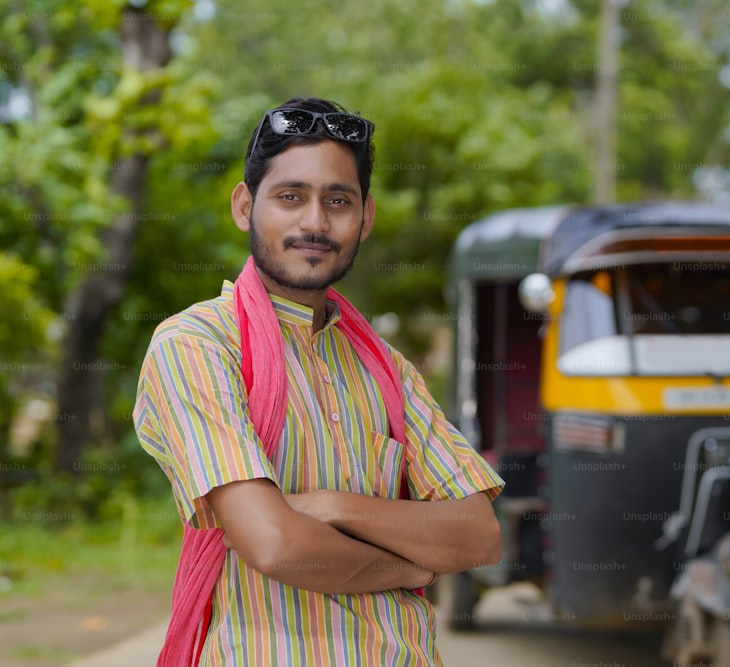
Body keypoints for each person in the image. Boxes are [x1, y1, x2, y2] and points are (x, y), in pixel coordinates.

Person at [133, 97, 505, 666]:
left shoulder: (386, 369)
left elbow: (477, 535)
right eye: (290, 197)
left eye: (338, 201)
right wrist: (405, 568)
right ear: (243, 205)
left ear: (366, 217)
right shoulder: (199, 345)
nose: (315, 222)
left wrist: (335, 506)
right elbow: (275, 544)